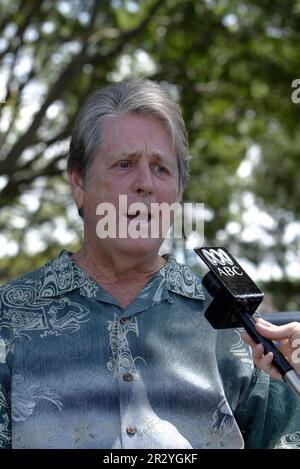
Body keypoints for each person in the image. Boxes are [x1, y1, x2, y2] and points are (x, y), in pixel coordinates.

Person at [0, 78, 300, 449]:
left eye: (161, 169)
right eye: (124, 164)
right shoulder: (8, 317)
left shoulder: (233, 329)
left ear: (177, 194)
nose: (145, 183)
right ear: (79, 184)